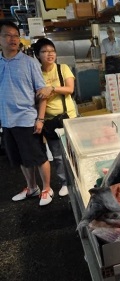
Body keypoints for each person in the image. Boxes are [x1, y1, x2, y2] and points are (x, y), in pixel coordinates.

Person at [0, 21, 53, 206]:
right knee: (22, 159)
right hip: (7, 121)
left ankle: (46, 189)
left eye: (15, 35)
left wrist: (40, 119)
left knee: (38, 157)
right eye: (8, 35)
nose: (13, 39)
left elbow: (42, 93)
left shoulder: (29, 63)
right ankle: (32, 188)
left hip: (27, 119)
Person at [33, 38, 77, 197]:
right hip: (51, 121)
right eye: (44, 51)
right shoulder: (37, 72)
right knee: (57, 155)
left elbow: (70, 89)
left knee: (73, 152)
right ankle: (65, 183)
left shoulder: (62, 68)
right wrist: (41, 119)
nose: (49, 54)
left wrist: (51, 88)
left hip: (69, 117)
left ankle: (77, 180)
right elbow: (40, 97)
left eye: (52, 51)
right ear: (38, 55)